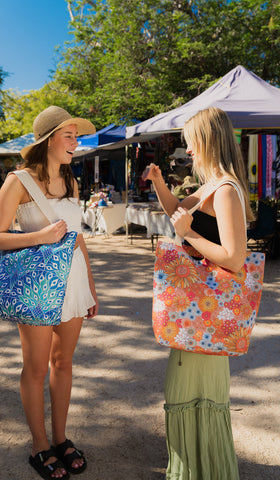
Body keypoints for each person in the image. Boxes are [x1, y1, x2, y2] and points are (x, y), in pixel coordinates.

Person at [0, 106, 99, 480]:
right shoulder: (18, 181)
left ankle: (61, 438)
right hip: (36, 287)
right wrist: (40, 236)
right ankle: (39, 446)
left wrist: (92, 287)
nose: (75, 142)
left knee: (63, 363)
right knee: (35, 369)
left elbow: (77, 236)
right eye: (69, 135)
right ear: (48, 140)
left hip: (74, 283)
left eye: (76, 136)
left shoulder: (72, 181)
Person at [144, 107, 254, 480]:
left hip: (203, 316)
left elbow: (235, 258)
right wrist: (159, 183)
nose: (188, 151)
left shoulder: (224, 190)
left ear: (207, 140)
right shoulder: (212, 185)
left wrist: (190, 235)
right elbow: (179, 213)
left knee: (188, 397)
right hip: (198, 316)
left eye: (191, 143)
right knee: (185, 397)